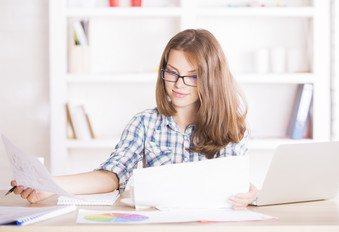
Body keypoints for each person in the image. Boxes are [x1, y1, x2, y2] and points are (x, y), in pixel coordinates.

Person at [11, 29, 258, 210]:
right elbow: (111, 175)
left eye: (192, 76)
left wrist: (250, 193)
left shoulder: (231, 129)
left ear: (211, 78)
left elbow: (233, 187)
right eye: (172, 72)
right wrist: (49, 184)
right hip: (157, 230)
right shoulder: (144, 123)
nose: (178, 84)